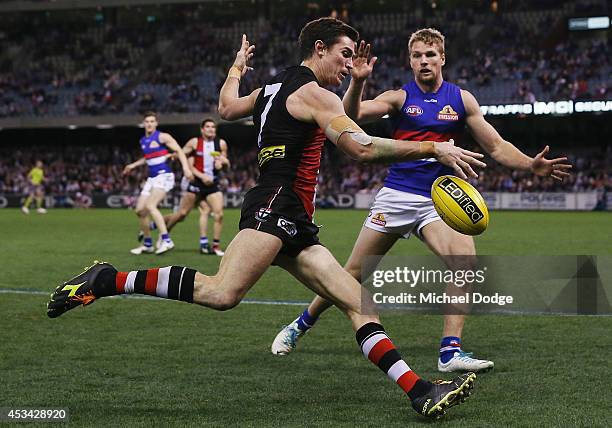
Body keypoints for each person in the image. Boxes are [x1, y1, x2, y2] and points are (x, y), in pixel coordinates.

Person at [47, 19, 486, 418]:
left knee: (358, 302)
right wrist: (432, 148)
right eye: (345, 54)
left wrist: (237, 68)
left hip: (292, 215)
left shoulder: (272, 90)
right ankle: (107, 280)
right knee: (222, 293)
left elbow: (226, 108)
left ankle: (420, 390)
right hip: (275, 204)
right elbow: (361, 147)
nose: (350, 64)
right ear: (319, 49)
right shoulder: (316, 93)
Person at [271, 28, 572, 373]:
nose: (424, 61)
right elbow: (349, 117)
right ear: (410, 61)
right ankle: (301, 324)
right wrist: (358, 82)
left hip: (441, 200)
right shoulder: (399, 98)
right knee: (353, 272)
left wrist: (530, 164)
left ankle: (449, 353)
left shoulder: (462, 99)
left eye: (430, 55)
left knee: (465, 266)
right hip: (397, 196)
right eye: (417, 56)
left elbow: (495, 146)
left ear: (442, 58)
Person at [146, 118, 230, 255]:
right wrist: (172, 156)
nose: (211, 129)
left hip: (212, 184)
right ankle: (164, 235)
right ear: (202, 129)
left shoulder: (221, 144)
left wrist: (224, 163)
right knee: (182, 214)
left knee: (219, 214)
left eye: (213, 127)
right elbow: (181, 153)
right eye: (208, 127)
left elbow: (226, 164)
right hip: (196, 183)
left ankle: (215, 246)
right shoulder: (195, 142)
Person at [123, 111, 193, 255]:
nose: (149, 124)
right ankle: (148, 244)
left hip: (164, 175)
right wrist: (133, 165)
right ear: (144, 124)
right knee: (140, 211)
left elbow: (179, 151)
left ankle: (166, 240)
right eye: (147, 121)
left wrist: (186, 168)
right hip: (152, 178)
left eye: (152, 121)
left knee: (150, 206)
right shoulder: (143, 140)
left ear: (156, 123)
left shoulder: (162, 136)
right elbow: (148, 158)